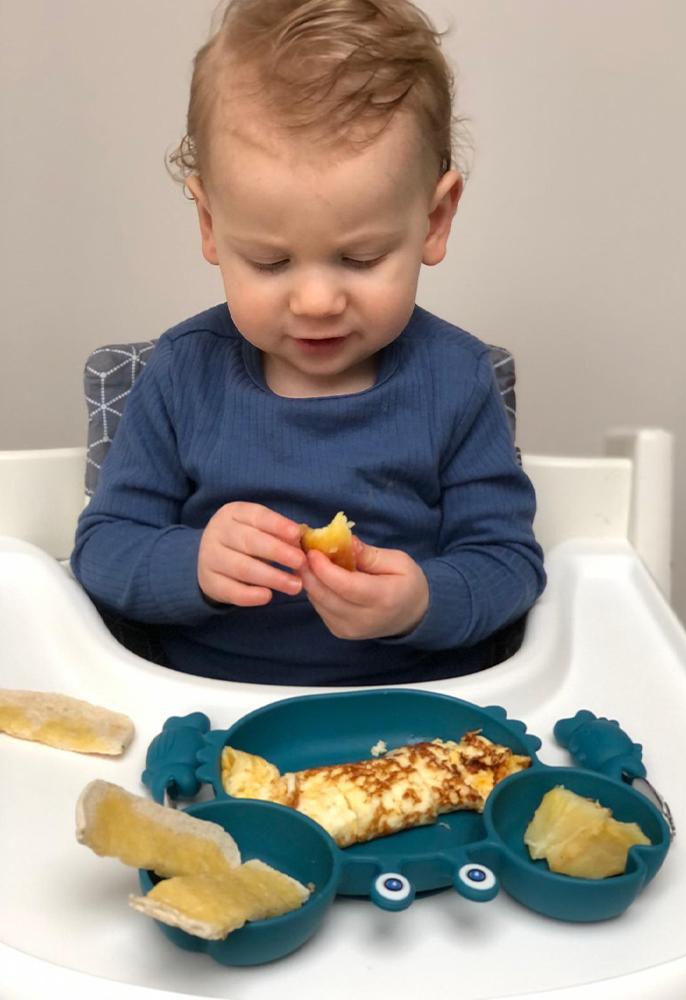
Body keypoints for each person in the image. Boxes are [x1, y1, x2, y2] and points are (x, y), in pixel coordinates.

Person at [71, 0, 546, 686]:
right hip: (206, 708)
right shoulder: (180, 375)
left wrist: (420, 602)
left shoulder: (456, 380)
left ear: (434, 219)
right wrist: (195, 563)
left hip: (415, 714)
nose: (317, 301)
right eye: (270, 262)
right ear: (209, 224)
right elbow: (106, 549)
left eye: (360, 259)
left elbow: (506, 563)